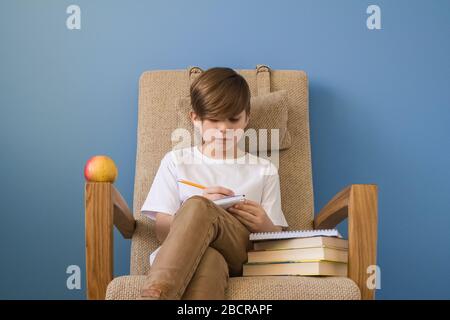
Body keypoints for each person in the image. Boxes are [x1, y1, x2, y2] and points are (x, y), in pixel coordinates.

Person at [139, 67, 288, 299]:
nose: (224, 129)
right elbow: (160, 232)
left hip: (242, 251)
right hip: (195, 258)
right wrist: (196, 211)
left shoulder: (264, 169)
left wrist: (264, 224)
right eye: (214, 119)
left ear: (247, 117)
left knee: (199, 206)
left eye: (233, 119)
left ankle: (156, 294)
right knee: (210, 259)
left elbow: (277, 241)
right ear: (195, 119)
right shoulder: (176, 161)